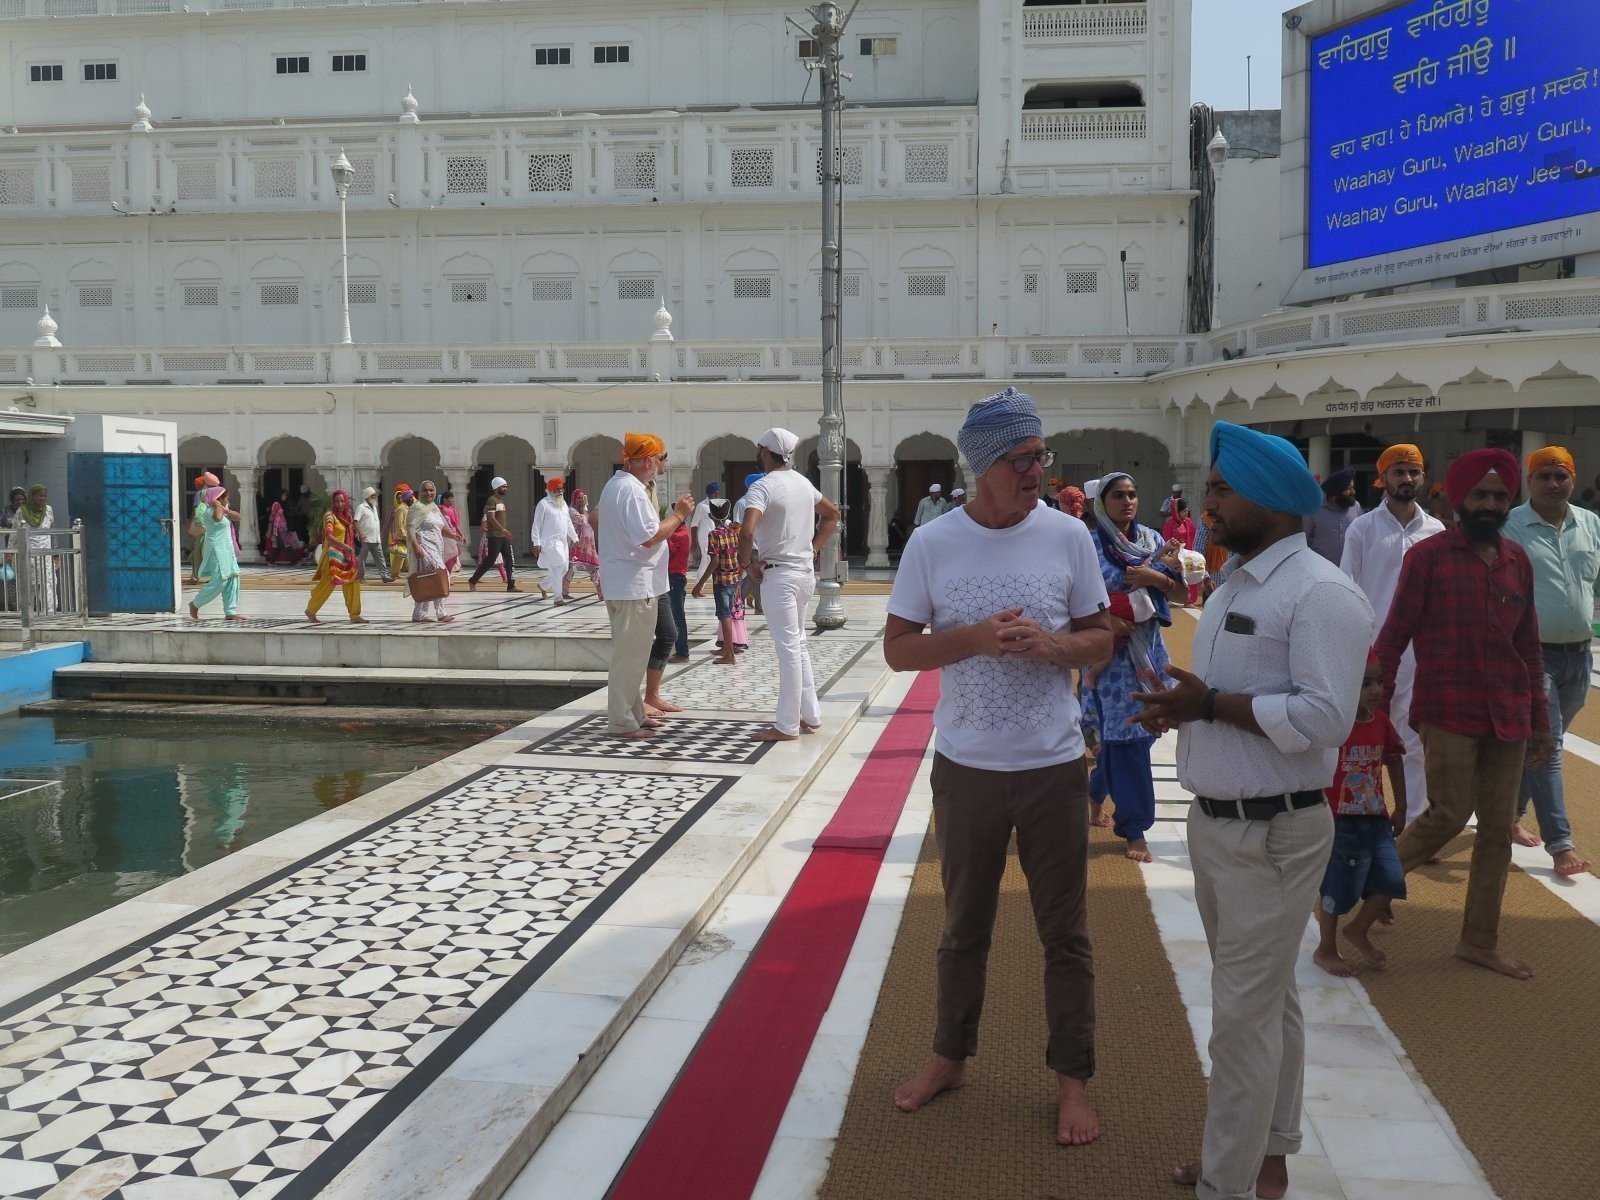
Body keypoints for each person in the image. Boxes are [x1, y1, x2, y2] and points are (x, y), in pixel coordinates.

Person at [1129, 421, 1373, 1200]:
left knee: (1240, 1020)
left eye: (1221, 490)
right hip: (1221, 826)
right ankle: (1265, 1160)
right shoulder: (1237, 583)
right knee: (1268, 1003)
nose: (1208, 504)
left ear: (1269, 498)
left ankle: (1225, 1184)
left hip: (1273, 833)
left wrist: (1211, 705)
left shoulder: (1320, 593)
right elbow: (1238, 699)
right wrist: (1187, 710)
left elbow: (1325, 718)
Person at [884, 386, 1113, 1146]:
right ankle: (950, 1056)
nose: (1037, 471)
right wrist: (974, 640)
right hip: (967, 767)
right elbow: (898, 649)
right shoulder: (935, 543)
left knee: (1066, 935)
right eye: (1021, 459)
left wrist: (1052, 646)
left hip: (1052, 766)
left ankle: (1073, 1081)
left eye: (1041, 455)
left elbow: (1102, 636)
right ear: (983, 465)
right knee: (963, 927)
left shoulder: (1068, 536)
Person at [1374, 448, 1552, 980]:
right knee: (1447, 814)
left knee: (1497, 830)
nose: (1490, 504)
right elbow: (1393, 635)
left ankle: (1479, 941)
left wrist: (1541, 721)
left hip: (1508, 712)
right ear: (1458, 499)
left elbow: (1529, 645)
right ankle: (1364, 891)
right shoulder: (1428, 558)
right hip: (1447, 706)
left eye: (1499, 496)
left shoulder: (1517, 560)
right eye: (1480, 494)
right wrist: (1374, 708)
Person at [1503, 446, 1597, 877]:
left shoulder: (1591, 524)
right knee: (1549, 745)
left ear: (1573, 479)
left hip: (1579, 656)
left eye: (1561, 476)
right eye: (1544, 476)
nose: (1553, 484)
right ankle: (1561, 845)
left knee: (1538, 745)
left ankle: (1510, 814)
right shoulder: (1511, 527)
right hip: (1532, 656)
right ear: (1530, 482)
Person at [1339, 444, 1443, 830]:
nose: (1407, 479)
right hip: (1371, 654)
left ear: (1423, 477)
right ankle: (1356, 818)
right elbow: (1346, 587)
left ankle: (1413, 824)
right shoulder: (1362, 528)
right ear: (1383, 478)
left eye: (1413, 472)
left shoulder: (1436, 532)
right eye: (1399, 471)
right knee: (1362, 735)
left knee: (1413, 739)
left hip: (1419, 655)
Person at [1082, 471, 1185, 861]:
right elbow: (1071, 600)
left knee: (1136, 737)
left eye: (1132, 494)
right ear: (1102, 503)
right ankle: (1135, 829)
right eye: (1118, 496)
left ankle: (1096, 790)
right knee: (1128, 741)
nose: (1127, 501)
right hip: (1108, 658)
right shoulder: (1088, 546)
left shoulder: (1153, 542)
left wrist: (1155, 577)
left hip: (1149, 652)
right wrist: (1107, 620)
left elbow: (1182, 593)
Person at [738, 427, 841, 742]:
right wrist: (814, 548)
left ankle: (787, 725)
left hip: (780, 576)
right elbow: (832, 514)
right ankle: (811, 715)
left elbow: (747, 531)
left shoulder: (763, 486)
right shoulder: (802, 483)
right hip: (804, 574)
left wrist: (746, 563)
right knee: (798, 644)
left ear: (765, 451)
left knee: (788, 649)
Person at [1313, 653, 1407, 978]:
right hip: (1339, 820)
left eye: (1379, 681)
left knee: (1392, 879)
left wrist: (1402, 807)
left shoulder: (1380, 722)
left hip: (1376, 817)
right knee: (1336, 884)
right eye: (1366, 683)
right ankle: (1326, 947)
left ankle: (1357, 929)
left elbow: (1394, 759)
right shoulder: (1333, 726)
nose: (1376, 689)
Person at [599, 433, 694, 739]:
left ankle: (635, 713)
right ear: (649, 461)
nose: (664, 464)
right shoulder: (630, 490)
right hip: (633, 585)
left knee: (634, 655)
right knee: (629, 659)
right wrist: (679, 515)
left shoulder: (620, 486)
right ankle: (621, 723)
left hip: (629, 583)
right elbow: (649, 537)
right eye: (662, 458)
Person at [692, 498, 741, 665]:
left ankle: (730, 655)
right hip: (733, 579)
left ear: (711, 516)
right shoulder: (733, 533)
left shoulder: (714, 535)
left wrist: (700, 584)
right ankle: (726, 648)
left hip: (721, 580)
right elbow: (738, 556)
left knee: (724, 615)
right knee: (726, 614)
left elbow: (714, 561)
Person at [306, 489, 365, 624]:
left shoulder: (347, 517)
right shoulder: (330, 516)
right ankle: (311, 610)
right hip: (332, 556)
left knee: (352, 583)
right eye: (337, 501)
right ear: (333, 502)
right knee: (327, 584)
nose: (340, 504)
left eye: (342, 501)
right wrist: (344, 546)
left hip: (345, 556)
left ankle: (355, 615)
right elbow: (329, 536)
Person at [188, 485, 246, 622]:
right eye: (226, 498)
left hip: (227, 550)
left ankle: (230, 611)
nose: (227, 500)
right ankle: (195, 604)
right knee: (220, 580)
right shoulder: (210, 512)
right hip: (216, 550)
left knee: (232, 578)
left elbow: (238, 517)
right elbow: (218, 518)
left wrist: (226, 509)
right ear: (218, 498)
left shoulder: (221, 509)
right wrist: (218, 505)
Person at [408, 480, 460, 624]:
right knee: (442, 575)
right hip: (424, 547)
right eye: (425, 490)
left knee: (427, 579)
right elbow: (410, 529)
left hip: (436, 547)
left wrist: (454, 535)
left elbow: (441, 527)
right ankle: (441, 613)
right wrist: (416, 547)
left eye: (431, 490)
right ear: (420, 492)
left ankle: (419, 614)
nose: (428, 493)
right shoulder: (416, 508)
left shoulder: (434, 508)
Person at [468, 475, 518, 592]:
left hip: (502, 536)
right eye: (503, 486)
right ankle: (473, 580)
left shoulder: (500, 500)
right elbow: (491, 518)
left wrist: (503, 532)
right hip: (495, 536)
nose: (505, 489)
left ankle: (511, 585)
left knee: (509, 560)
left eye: (506, 486)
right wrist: (503, 530)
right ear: (496, 487)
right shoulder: (492, 500)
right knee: (490, 560)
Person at [531, 476, 577, 604]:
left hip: (563, 542)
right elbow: (536, 525)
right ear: (551, 490)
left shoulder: (563, 504)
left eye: (562, 489)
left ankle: (543, 585)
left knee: (564, 569)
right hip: (550, 542)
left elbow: (568, 522)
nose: (560, 491)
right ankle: (558, 598)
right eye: (557, 489)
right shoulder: (543, 504)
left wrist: (575, 538)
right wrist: (536, 543)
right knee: (557, 567)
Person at [1304, 467, 1361, 563]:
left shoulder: (1356, 507)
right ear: (1336, 492)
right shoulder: (1314, 510)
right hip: (1320, 568)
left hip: (1348, 568)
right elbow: (1304, 540)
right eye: (1349, 488)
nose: (1353, 492)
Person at [733, 471, 764, 615]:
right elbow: (738, 526)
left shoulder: (761, 500)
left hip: (760, 544)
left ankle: (745, 603)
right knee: (755, 575)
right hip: (751, 545)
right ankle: (754, 605)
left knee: (754, 576)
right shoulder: (742, 503)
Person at [1163, 497, 1199, 604]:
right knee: (1173, 578)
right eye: (1184, 511)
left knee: (1190, 576)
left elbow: (1194, 536)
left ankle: (1189, 600)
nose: (1186, 513)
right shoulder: (1169, 524)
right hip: (1173, 556)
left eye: (1187, 511)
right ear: (1177, 512)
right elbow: (1165, 540)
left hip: (1186, 555)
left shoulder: (1188, 522)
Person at [567, 488, 601, 598]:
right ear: (574, 499)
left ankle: (601, 592)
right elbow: (581, 521)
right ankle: (564, 592)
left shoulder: (584, 511)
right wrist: (583, 510)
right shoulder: (571, 511)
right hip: (577, 546)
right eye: (578, 498)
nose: (581, 500)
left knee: (594, 568)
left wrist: (584, 509)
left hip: (588, 547)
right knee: (570, 568)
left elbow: (589, 521)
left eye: (582, 498)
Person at [666, 516, 692, 661]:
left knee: (677, 616)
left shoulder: (678, 534)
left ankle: (682, 652)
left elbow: (670, 550)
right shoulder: (684, 532)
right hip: (676, 576)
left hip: (675, 576)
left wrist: (664, 536)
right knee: (676, 615)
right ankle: (680, 650)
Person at [353, 486, 390, 582]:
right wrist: (360, 534)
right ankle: (360, 577)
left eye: (375, 495)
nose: (375, 497)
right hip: (365, 539)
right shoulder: (361, 507)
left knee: (380, 558)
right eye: (373, 495)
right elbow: (355, 521)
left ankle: (385, 576)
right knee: (362, 560)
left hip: (376, 539)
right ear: (367, 496)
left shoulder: (374, 507)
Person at [690, 481, 722, 565]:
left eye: (718, 493)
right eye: (715, 493)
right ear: (709, 493)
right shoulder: (701, 506)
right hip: (705, 537)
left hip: (718, 536)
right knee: (707, 559)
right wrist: (694, 542)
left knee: (717, 560)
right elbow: (694, 524)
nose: (717, 495)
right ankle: (702, 574)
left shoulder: (721, 504)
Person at [383, 484, 411, 579]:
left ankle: (396, 573)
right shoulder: (398, 509)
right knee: (396, 554)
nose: (400, 500)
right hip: (395, 535)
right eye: (398, 498)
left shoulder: (405, 508)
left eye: (401, 498)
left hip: (402, 534)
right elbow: (393, 523)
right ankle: (394, 573)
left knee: (401, 554)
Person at [439, 490, 465, 573]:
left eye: (453, 498)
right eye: (450, 498)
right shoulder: (440, 509)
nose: (452, 500)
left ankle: (451, 571)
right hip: (445, 535)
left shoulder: (452, 510)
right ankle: (445, 571)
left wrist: (460, 534)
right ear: (444, 499)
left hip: (452, 535)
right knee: (448, 553)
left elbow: (454, 525)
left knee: (454, 553)